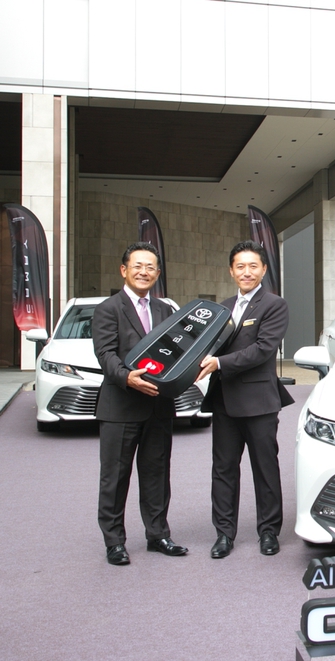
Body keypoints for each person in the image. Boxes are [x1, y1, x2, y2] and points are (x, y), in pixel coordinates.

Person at [197, 240, 294, 558]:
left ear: (264, 270)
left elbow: (263, 349)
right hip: (224, 401)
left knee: (265, 468)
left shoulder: (274, 305)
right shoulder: (222, 308)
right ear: (231, 271)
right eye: (240, 266)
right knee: (223, 469)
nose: (247, 272)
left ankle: (269, 532)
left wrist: (219, 363)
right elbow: (204, 346)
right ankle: (224, 534)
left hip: (259, 402)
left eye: (253, 266)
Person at [93, 242, 188, 565]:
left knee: (157, 474)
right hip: (120, 406)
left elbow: (178, 352)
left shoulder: (166, 311)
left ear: (157, 273)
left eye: (150, 267)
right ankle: (114, 542)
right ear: (124, 270)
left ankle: (158, 535)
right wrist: (126, 377)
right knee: (115, 477)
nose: (143, 272)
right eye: (137, 266)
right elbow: (105, 353)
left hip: (158, 407)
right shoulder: (108, 309)